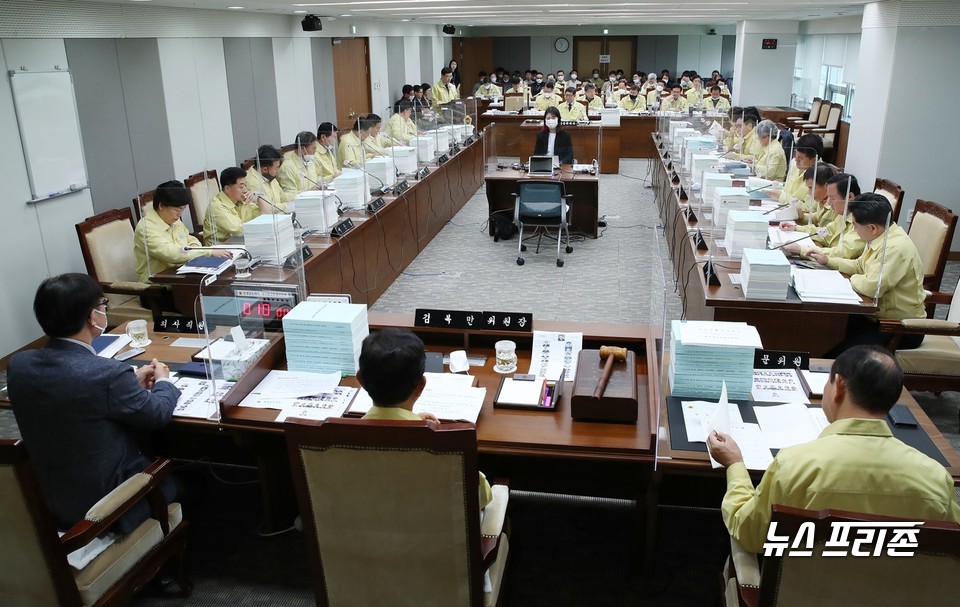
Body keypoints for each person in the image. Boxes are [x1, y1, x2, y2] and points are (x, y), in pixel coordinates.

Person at [708, 345, 960, 553]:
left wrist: (735, 465)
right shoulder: (936, 479)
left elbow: (750, 534)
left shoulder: (794, 466)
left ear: (838, 385)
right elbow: (950, 551)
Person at [7, 273, 186, 535]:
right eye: (104, 306)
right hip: (104, 508)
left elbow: (70, 400)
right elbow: (157, 414)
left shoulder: (19, 365)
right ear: (93, 317)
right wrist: (163, 382)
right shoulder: (106, 373)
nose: (105, 312)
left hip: (45, 500)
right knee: (190, 484)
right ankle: (161, 566)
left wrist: (128, 386)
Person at [357, 328, 493, 510]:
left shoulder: (334, 442)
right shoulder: (448, 448)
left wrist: (410, 420)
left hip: (366, 534)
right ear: (421, 385)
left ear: (361, 380)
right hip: (437, 537)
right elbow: (480, 497)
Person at [812, 194, 928, 350]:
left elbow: (872, 287)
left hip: (899, 328)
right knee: (822, 329)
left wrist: (848, 279)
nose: (853, 229)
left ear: (872, 227)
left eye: (855, 225)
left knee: (838, 350)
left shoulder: (894, 248)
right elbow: (859, 265)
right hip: (874, 317)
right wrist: (828, 261)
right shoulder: (880, 235)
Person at [134, 181, 227, 284]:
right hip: (158, 284)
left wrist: (193, 245)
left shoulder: (173, 220)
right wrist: (208, 251)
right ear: (161, 206)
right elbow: (170, 253)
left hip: (182, 273)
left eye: (182, 209)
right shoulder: (146, 227)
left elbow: (189, 237)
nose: (180, 214)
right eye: (177, 209)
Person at [784, 173, 864, 261]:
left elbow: (842, 253)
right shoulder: (844, 214)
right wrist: (796, 228)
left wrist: (802, 250)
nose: (829, 203)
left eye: (832, 198)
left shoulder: (862, 221)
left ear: (849, 197)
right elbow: (826, 232)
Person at [203, 166, 267, 245]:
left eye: (245, 186)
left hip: (240, 242)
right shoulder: (217, 207)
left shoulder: (241, 199)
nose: (245, 190)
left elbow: (266, 216)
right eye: (241, 186)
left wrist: (260, 197)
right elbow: (240, 231)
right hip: (220, 249)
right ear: (227, 189)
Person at [773, 133, 824, 223]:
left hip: (799, 221)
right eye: (795, 155)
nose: (796, 160)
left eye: (800, 157)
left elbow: (809, 208)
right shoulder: (795, 165)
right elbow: (786, 189)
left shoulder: (819, 176)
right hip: (782, 210)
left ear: (814, 160)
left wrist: (782, 196)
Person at [245, 144, 290, 212]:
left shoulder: (269, 176)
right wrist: (287, 206)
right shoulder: (252, 182)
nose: (278, 171)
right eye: (276, 168)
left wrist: (303, 194)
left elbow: (283, 197)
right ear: (265, 169)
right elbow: (268, 208)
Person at [277, 131, 321, 198]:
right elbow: (289, 195)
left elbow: (316, 180)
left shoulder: (310, 161)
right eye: (313, 148)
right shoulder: (287, 167)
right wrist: (308, 192)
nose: (315, 151)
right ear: (302, 149)